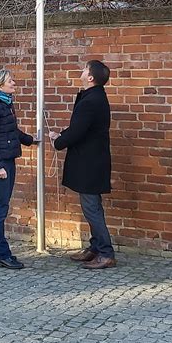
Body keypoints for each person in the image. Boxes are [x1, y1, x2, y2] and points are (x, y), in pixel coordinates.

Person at [49, 60, 116, 270]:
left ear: (91, 77)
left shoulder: (91, 100)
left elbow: (78, 131)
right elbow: (79, 127)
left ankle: (105, 253)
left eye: (85, 69)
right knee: (91, 207)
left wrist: (58, 141)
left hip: (90, 163)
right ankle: (95, 248)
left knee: (92, 208)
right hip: (90, 161)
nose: (82, 71)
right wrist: (61, 135)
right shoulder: (93, 97)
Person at [0, 69, 39, 270]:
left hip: (7, 160)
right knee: (1, 209)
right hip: (1, 164)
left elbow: (11, 131)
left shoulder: (4, 103)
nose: (14, 83)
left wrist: (31, 140)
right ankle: (3, 255)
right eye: (10, 81)